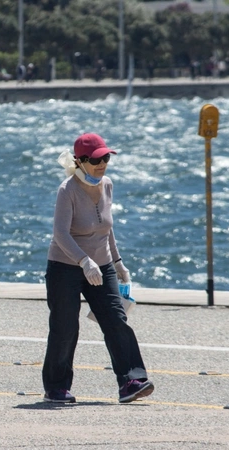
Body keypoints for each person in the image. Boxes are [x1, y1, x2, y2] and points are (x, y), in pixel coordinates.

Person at [42, 133, 154, 404]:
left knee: (116, 320)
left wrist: (117, 262)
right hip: (65, 266)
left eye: (106, 158)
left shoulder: (107, 185)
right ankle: (56, 388)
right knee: (65, 327)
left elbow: (107, 228)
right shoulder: (67, 190)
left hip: (101, 266)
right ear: (79, 162)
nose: (102, 164)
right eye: (96, 160)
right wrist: (83, 260)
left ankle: (131, 381)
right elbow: (61, 234)